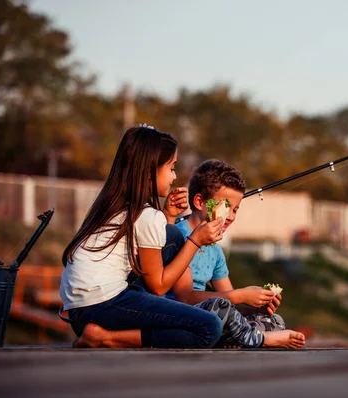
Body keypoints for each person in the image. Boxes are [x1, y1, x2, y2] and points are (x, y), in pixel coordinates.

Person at [59, 125, 226, 348]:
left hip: (80, 312)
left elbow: (157, 252)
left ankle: (108, 331)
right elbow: (158, 286)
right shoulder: (146, 215)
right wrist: (196, 240)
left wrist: (168, 216)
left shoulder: (112, 206)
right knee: (210, 327)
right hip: (104, 306)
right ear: (149, 172)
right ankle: (106, 338)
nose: (175, 176)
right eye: (171, 168)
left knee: (173, 234)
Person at [169, 159, 305, 349]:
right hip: (181, 315)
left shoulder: (215, 249)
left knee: (273, 321)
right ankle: (260, 339)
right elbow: (185, 298)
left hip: (213, 314)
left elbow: (231, 298)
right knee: (220, 307)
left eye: (235, 209)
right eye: (226, 207)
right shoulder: (179, 236)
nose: (231, 216)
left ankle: (238, 337)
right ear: (200, 202)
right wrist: (240, 296)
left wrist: (255, 304)